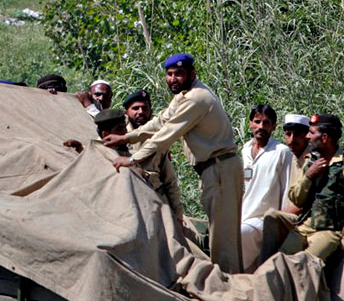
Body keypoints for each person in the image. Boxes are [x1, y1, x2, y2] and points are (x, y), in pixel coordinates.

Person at [104, 53, 243, 274]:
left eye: (178, 74)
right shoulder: (184, 95)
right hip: (213, 170)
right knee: (222, 239)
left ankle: (230, 291)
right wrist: (126, 138)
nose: (173, 79)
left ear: (191, 74)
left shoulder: (197, 98)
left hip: (220, 169)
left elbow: (167, 134)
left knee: (223, 243)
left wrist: (132, 159)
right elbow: (160, 121)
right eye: (169, 74)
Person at [274, 113, 344, 262]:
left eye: (312, 133)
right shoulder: (310, 162)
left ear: (325, 138)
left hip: (329, 232)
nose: (307, 136)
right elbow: (295, 198)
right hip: (304, 227)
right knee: (281, 259)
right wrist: (308, 176)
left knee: (307, 264)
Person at [239, 104, 294, 272]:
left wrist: (282, 223)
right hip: (244, 215)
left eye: (266, 123)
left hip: (265, 220)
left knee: (243, 234)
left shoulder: (281, 151)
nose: (261, 127)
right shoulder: (245, 150)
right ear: (250, 124)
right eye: (257, 121)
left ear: (274, 126)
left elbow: (287, 188)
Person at [123, 90, 185, 224]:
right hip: (127, 201)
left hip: (155, 199)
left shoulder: (158, 139)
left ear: (150, 112)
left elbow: (170, 181)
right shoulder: (119, 137)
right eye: (135, 108)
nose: (140, 112)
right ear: (126, 112)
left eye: (144, 108)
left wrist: (178, 215)